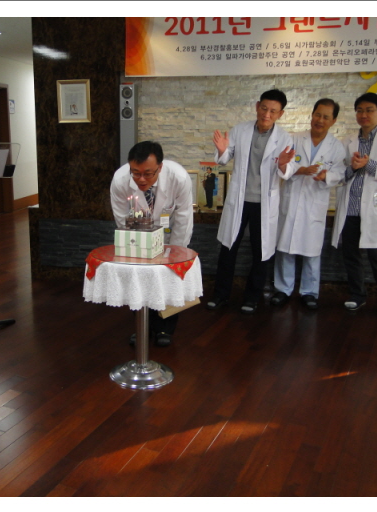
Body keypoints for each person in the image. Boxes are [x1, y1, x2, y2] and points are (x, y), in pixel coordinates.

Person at [206, 89, 296, 314]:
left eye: (273, 111)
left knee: (261, 251)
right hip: (239, 200)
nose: (267, 114)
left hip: (264, 203)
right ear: (257, 106)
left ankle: (252, 297)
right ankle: (221, 295)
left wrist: (283, 164)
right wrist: (222, 150)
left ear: (280, 114)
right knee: (228, 248)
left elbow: (287, 171)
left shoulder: (284, 138)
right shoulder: (240, 130)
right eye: (264, 108)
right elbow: (225, 158)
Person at [331, 92, 377, 318]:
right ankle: (357, 295)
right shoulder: (347, 141)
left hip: (376, 207)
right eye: (360, 111)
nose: (363, 115)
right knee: (351, 254)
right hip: (350, 207)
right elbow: (339, 171)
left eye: (369, 110)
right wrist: (353, 168)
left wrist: (369, 164)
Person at [110, 141, 193, 346]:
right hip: (138, 234)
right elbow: (122, 220)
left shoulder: (179, 177)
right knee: (140, 279)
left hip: (169, 234)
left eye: (148, 173)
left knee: (169, 279)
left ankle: (165, 328)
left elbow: (183, 219)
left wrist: (176, 253)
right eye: (136, 173)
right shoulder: (120, 180)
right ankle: (142, 328)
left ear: (160, 167)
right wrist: (139, 246)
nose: (141, 179)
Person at [271, 98, 347, 310]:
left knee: (312, 250)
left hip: (315, 202)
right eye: (317, 115)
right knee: (285, 247)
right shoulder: (293, 139)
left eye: (326, 117)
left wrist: (326, 176)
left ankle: (309, 292)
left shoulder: (336, 147)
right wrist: (300, 170)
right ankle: (283, 289)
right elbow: (281, 165)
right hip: (291, 200)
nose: (320, 120)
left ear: (333, 121)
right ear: (312, 115)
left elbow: (340, 173)